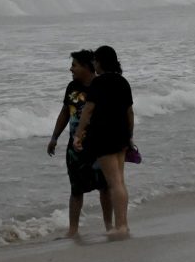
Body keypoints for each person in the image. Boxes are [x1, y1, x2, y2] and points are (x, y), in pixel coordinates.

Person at [47, 50, 112, 237]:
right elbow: (65, 112)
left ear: (86, 66)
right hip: (75, 148)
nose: (71, 69)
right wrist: (54, 137)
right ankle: (73, 230)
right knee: (76, 189)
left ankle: (109, 227)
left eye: (74, 65)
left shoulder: (101, 86)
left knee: (105, 187)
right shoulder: (72, 87)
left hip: (99, 146)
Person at [73, 45, 134, 239]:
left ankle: (121, 226)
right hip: (121, 135)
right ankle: (123, 224)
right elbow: (129, 112)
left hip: (104, 137)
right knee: (120, 181)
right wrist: (129, 136)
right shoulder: (123, 82)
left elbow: (88, 110)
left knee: (114, 182)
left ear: (101, 62)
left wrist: (78, 134)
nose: (94, 64)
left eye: (95, 61)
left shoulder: (99, 83)